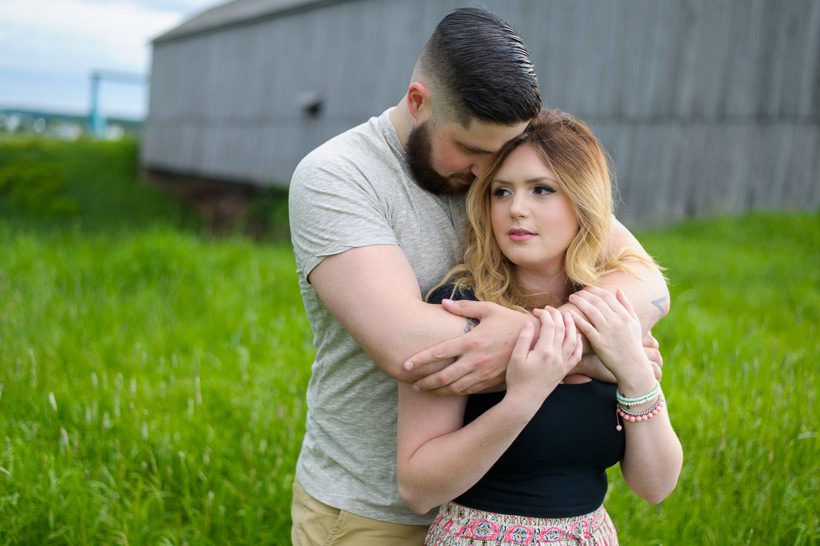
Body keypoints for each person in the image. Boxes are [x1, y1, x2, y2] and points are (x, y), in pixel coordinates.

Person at [288, 7, 669, 545]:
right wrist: (593, 354)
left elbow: (647, 283)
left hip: (509, 496)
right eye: (471, 151)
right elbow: (407, 346)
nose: (486, 174)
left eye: (499, 157)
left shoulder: (509, 169)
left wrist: (602, 349)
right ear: (418, 102)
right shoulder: (337, 177)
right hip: (373, 511)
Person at [397, 109, 683, 545]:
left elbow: (655, 486)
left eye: (542, 190)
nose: (516, 209)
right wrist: (523, 397)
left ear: (582, 201)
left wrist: (635, 373)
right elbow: (418, 489)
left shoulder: (608, 311)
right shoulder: (460, 307)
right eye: (501, 192)